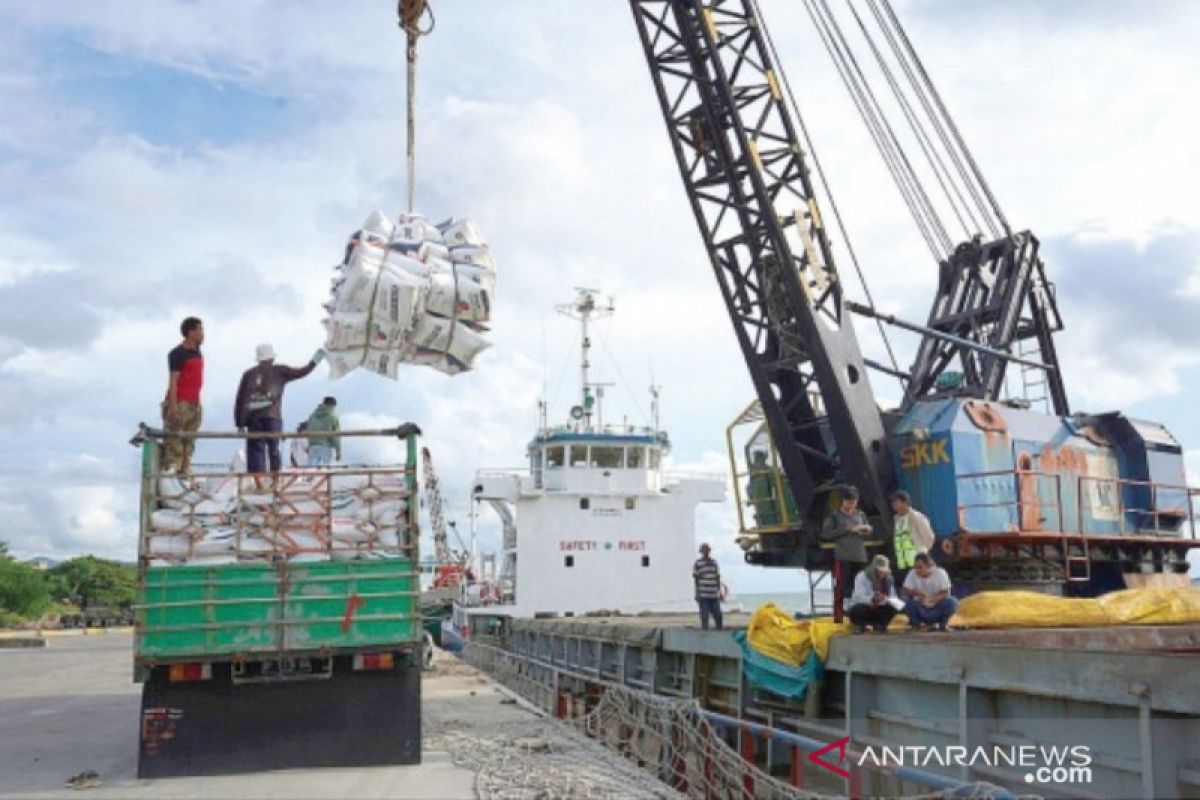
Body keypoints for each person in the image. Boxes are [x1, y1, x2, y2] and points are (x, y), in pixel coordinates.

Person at [234, 344, 323, 474]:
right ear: (272, 358)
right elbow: (302, 372)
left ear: (258, 359)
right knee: (274, 449)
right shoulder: (279, 371)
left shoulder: (248, 374)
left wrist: (240, 424)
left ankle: (258, 481)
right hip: (273, 417)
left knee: (255, 451)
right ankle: (275, 479)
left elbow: (240, 400)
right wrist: (316, 360)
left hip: (254, 419)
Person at [162, 317, 205, 473]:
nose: (202, 333)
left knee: (189, 441)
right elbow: (173, 380)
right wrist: (173, 406)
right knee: (175, 442)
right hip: (180, 402)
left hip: (194, 403)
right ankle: (172, 471)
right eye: (199, 330)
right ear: (190, 332)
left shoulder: (198, 352)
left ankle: (185, 472)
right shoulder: (177, 353)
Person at [821, 485, 872, 602]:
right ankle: (839, 615)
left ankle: (855, 611)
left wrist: (866, 530)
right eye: (849, 502)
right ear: (843, 501)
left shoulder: (860, 515)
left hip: (859, 556)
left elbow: (867, 529)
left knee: (859, 585)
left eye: (854, 502)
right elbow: (826, 533)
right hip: (843, 557)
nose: (851, 505)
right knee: (841, 586)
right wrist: (844, 529)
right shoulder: (834, 516)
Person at [901, 553, 958, 631]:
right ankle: (916, 624)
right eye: (916, 567)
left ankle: (943, 624)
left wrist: (934, 599)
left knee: (952, 602)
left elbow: (946, 592)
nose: (917, 570)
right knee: (906, 601)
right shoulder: (912, 573)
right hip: (920, 607)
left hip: (937, 607)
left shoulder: (940, 573)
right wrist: (918, 594)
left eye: (920, 567)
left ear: (928, 566)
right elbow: (905, 590)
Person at [847, 554, 901, 633]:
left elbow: (894, 598)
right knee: (857, 609)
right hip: (865, 608)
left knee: (893, 607)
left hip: (879, 610)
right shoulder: (862, 576)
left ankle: (879, 625)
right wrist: (872, 599)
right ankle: (861, 625)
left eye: (884, 572)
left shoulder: (889, 579)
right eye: (879, 571)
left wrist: (885, 599)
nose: (882, 574)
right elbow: (858, 597)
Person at [890, 490, 936, 579]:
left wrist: (923, 552)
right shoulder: (896, 519)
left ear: (904, 502)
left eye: (896, 502)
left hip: (918, 562)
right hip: (903, 563)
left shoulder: (916, 517)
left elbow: (929, 536)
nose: (894, 505)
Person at [693, 543, 723, 631]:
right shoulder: (698, 563)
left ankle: (719, 630)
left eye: (707, 550)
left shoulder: (714, 563)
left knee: (718, 615)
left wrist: (719, 591)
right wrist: (697, 593)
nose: (705, 552)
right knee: (704, 616)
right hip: (703, 595)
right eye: (704, 551)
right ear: (701, 552)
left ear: (709, 551)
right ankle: (705, 633)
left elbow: (717, 578)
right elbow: (696, 579)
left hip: (714, 594)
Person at [306, 396, 342, 467]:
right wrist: (338, 451)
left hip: (312, 446)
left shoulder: (312, 416)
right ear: (332, 405)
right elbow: (336, 436)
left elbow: (309, 430)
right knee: (325, 472)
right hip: (325, 447)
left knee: (311, 472)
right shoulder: (333, 417)